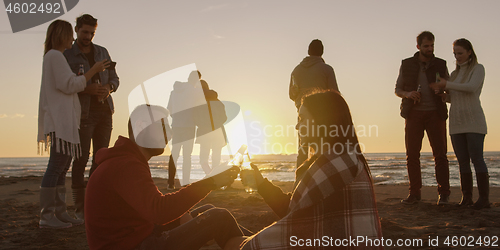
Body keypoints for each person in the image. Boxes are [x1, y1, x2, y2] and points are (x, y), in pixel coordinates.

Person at [85, 104, 247, 250]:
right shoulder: (126, 164)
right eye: (163, 127)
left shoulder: (126, 159)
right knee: (218, 217)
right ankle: (260, 244)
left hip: (138, 236)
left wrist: (183, 214)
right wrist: (210, 183)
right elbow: (160, 211)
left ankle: (257, 241)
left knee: (208, 211)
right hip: (134, 245)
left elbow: (151, 209)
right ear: (140, 126)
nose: (170, 134)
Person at [241, 90, 383, 249]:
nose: (296, 126)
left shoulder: (332, 165)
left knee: (232, 232)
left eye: (301, 119)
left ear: (321, 121)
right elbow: (297, 209)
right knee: (223, 220)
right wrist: (260, 183)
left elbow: (292, 213)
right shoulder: (343, 157)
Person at [37, 19, 108, 229]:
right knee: (56, 167)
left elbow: (67, 84)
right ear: (63, 36)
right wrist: (92, 71)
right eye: (70, 35)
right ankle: (47, 215)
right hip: (60, 120)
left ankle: (59, 212)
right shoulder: (55, 56)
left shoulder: (54, 57)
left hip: (64, 120)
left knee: (61, 167)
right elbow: (70, 85)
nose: (72, 39)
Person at [63, 14, 120, 220]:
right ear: (77, 30)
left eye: (92, 33)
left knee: (101, 158)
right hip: (83, 113)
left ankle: (94, 204)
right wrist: (87, 89)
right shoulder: (68, 53)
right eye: (85, 32)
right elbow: (66, 84)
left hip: (105, 112)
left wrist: (108, 88)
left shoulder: (102, 51)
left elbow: (115, 78)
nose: (88, 36)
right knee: (81, 159)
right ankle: (80, 208)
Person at [429, 38, 489, 209]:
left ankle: (483, 199)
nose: (457, 57)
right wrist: (444, 95)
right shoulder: (454, 74)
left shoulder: (478, 69)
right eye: (455, 54)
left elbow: (471, 88)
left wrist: (447, 84)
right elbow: (454, 97)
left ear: (470, 52)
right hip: (456, 122)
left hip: (474, 122)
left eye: (460, 53)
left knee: (477, 159)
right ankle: (467, 198)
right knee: (462, 160)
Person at [395, 31, 451, 205]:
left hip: (436, 113)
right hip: (413, 114)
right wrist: (408, 94)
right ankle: (414, 193)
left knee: (440, 154)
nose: (430, 49)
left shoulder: (441, 64)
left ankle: (444, 194)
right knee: (412, 155)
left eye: (432, 45)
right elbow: (397, 89)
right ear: (418, 46)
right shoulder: (407, 64)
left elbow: (449, 88)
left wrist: (442, 91)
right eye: (426, 46)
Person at [289, 39, 339, 168]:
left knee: (303, 149)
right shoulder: (326, 69)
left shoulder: (296, 71)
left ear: (308, 51)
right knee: (323, 149)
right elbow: (335, 94)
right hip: (323, 115)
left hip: (303, 114)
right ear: (322, 52)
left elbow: (291, 94)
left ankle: (299, 182)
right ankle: (321, 179)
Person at [167, 71, 203, 187]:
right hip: (189, 126)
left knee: (174, 154)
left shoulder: (174, 92)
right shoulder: (194, 91)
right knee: (187, 155)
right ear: (197, 80)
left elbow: (169, 110)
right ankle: (185, 183)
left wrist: (177, 118)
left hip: (176, 126)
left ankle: (170, 183)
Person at [195, 78, 227, 175]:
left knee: (203, 158)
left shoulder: (198, 102)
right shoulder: (217, 101)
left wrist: (202, 124)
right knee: (216, 157)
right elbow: (224, 117)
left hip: (205, 132)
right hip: (218, 132)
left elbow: (195, 118)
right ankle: (214, 176)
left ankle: (210, 175)